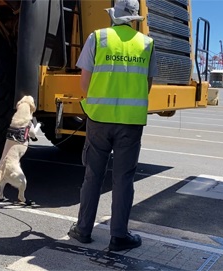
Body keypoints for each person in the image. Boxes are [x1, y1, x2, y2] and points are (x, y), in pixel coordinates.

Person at [67, 0, 158, 252]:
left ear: (114, 16)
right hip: (131, 122)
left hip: (99, 119)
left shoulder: (98, 38)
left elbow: (84, 84)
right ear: (135, 19)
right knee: (124, 179)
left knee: (93, 176)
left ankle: (83, 230)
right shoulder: (147, 44)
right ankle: (119, 236)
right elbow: (147, 85)